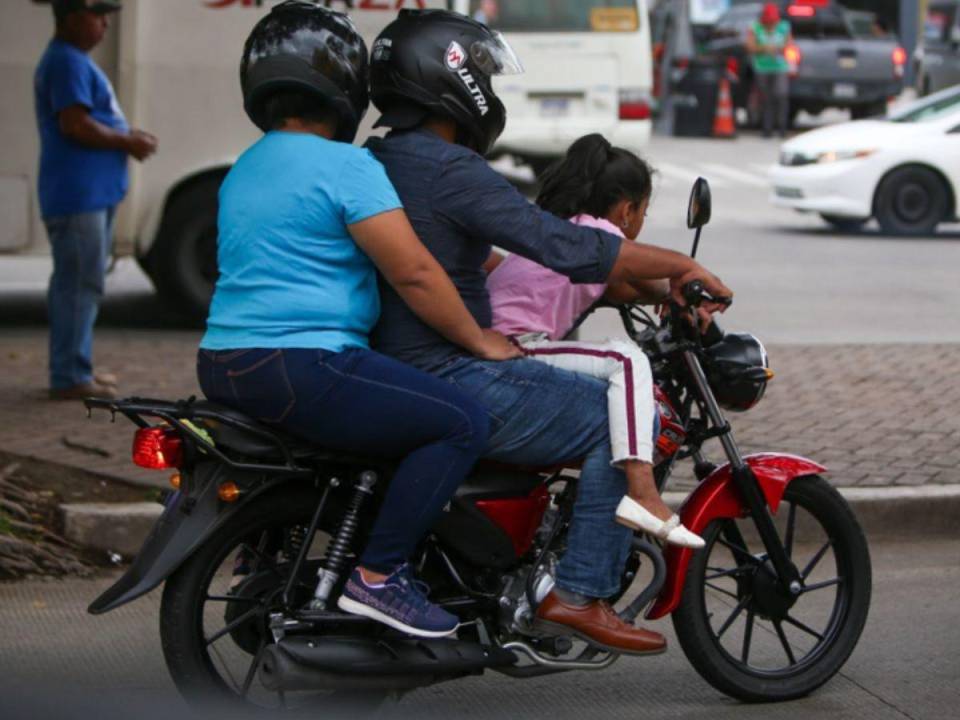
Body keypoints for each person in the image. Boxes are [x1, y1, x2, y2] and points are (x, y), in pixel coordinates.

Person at [366, 9, 732, 655]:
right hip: (450, 366)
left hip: (391, 361)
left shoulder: (380, 158)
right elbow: (561, 245)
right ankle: (581, 590)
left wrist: (652, 283)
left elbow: (493, 258)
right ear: (453, 83)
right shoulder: (448, 168)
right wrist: (682, 264)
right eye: (482, 73)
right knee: (626, 417)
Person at [196, 2, 519, 639]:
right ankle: (380, 578)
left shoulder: (246, 166)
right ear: (347, 88)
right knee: (460, 422)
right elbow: (416, 273)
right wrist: (480, 340)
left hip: (225, 363)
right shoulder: (349, 168)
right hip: (305, 364)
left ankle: (266, 555)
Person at [486, 133, 703, 549]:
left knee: (618, 361)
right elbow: (631, 270)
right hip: (514, 347)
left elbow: (627, 285)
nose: (641, 222)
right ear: (626, 210)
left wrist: (669, 295)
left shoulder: (563, 229)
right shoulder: (597, 233)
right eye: (643, 211)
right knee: (624, 359)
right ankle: (642, 492)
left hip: (506, 345)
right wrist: (688, 274)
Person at [35, 0, 158, 400]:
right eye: (97, 15)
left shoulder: (70, 60)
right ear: (70, 17)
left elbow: (89, 121)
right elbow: (75, 124)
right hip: (78, 196)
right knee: (78, 284)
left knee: (82, 283)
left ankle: (75, 367)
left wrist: (127, 135)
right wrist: (128, 141)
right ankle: (69, 376)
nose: (105, 24)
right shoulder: (66, 62)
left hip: (85, 194)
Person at [746, 2, 793, 138]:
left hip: (780, 67)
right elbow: (750, 46)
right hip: (762, 67)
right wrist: (765, 48)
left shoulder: (784, 27)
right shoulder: (755, 27)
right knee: (766, 99)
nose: (771, 24)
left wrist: (780, 48)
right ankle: (767, 129)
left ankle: (783, 128)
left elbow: (789, 44)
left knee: (781, 96)